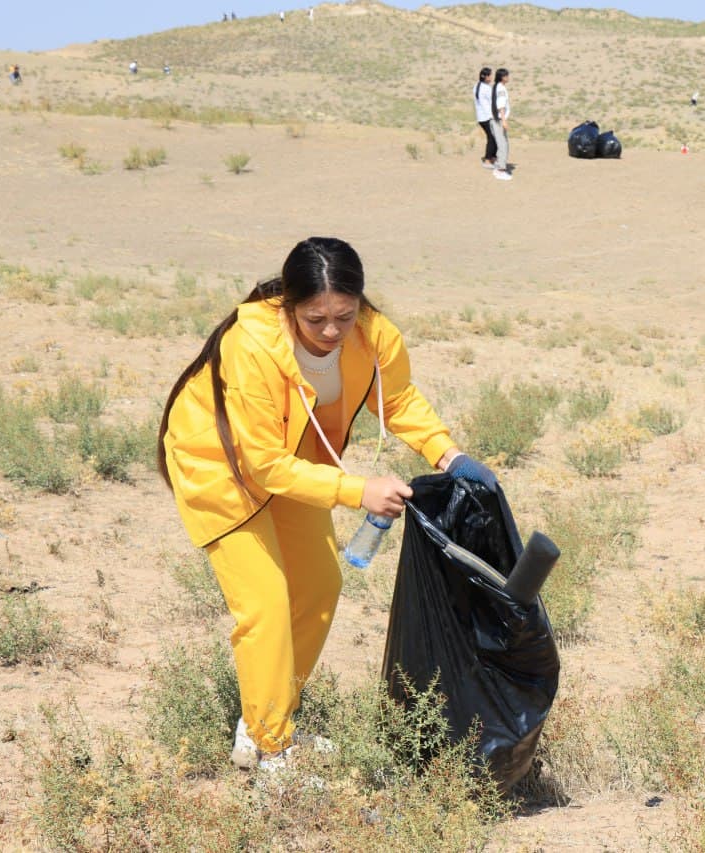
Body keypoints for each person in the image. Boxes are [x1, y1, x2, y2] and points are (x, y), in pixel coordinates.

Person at [157, 237, 498, 773]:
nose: (332, 331)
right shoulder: (251, 346)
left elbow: (397, 398)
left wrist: (448, 454)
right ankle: (272, 753)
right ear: (289, 306)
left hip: (298, 461)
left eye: (345, 315)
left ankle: (266, 717)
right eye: (315, 319)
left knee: (319, 587)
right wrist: (358, 491)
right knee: (266, 603)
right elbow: (263, 464)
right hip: (222, 468)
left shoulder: (374, 335)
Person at [491, 68, 513, 181]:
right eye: (506, 76)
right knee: (503, 145)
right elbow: (501, 106)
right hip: (499, 120)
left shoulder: (497, 87)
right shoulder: (501, 88)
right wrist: (504, 120)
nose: (508, 77)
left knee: (502, 143)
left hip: (497, 120)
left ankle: (499, 167)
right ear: (502, 77)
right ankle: (501, 170)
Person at [473, 67, 497, 169]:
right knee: (492, 138)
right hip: (487, 117)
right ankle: (488, 160)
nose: (491, 78)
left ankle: (492, 158)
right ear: (486, 77)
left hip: (481, 117)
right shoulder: (486, 88)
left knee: (493, 137)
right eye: (490, 75)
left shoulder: (477, 86)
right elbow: (491, 102)